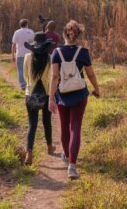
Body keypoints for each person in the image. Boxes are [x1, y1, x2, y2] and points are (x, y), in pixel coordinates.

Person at [49, 20, 100, 180]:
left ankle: (66, 154)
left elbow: (54, 77)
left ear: (64, 34)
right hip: (79, 94)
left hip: (62, 94)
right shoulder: (83, 52)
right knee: (75, 127)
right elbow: (90, 74)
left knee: (64, 127)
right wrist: (97, 89)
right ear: (77, 36)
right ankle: (72, 166)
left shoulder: (56, 53)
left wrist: (51, 98)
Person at [23, 32, 56, 165]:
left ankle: (29, 153)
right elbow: (52, 78)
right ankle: (49, 147)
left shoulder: (27, 57)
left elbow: (26, 77)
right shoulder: (49, 58)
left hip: (30, 94)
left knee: (32, 125)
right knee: (47, 122)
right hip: (46, 95)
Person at [11, 19, 34, 90]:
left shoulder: (17, 32)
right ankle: (30, 83)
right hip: (30, 53)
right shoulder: (31, 32)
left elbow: (14, 44)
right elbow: (34, 43)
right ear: (27, 24)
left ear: (20, 25)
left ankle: (23, 85)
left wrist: (12, 55)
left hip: (20, 53)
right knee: (30, 69)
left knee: (20, 69)